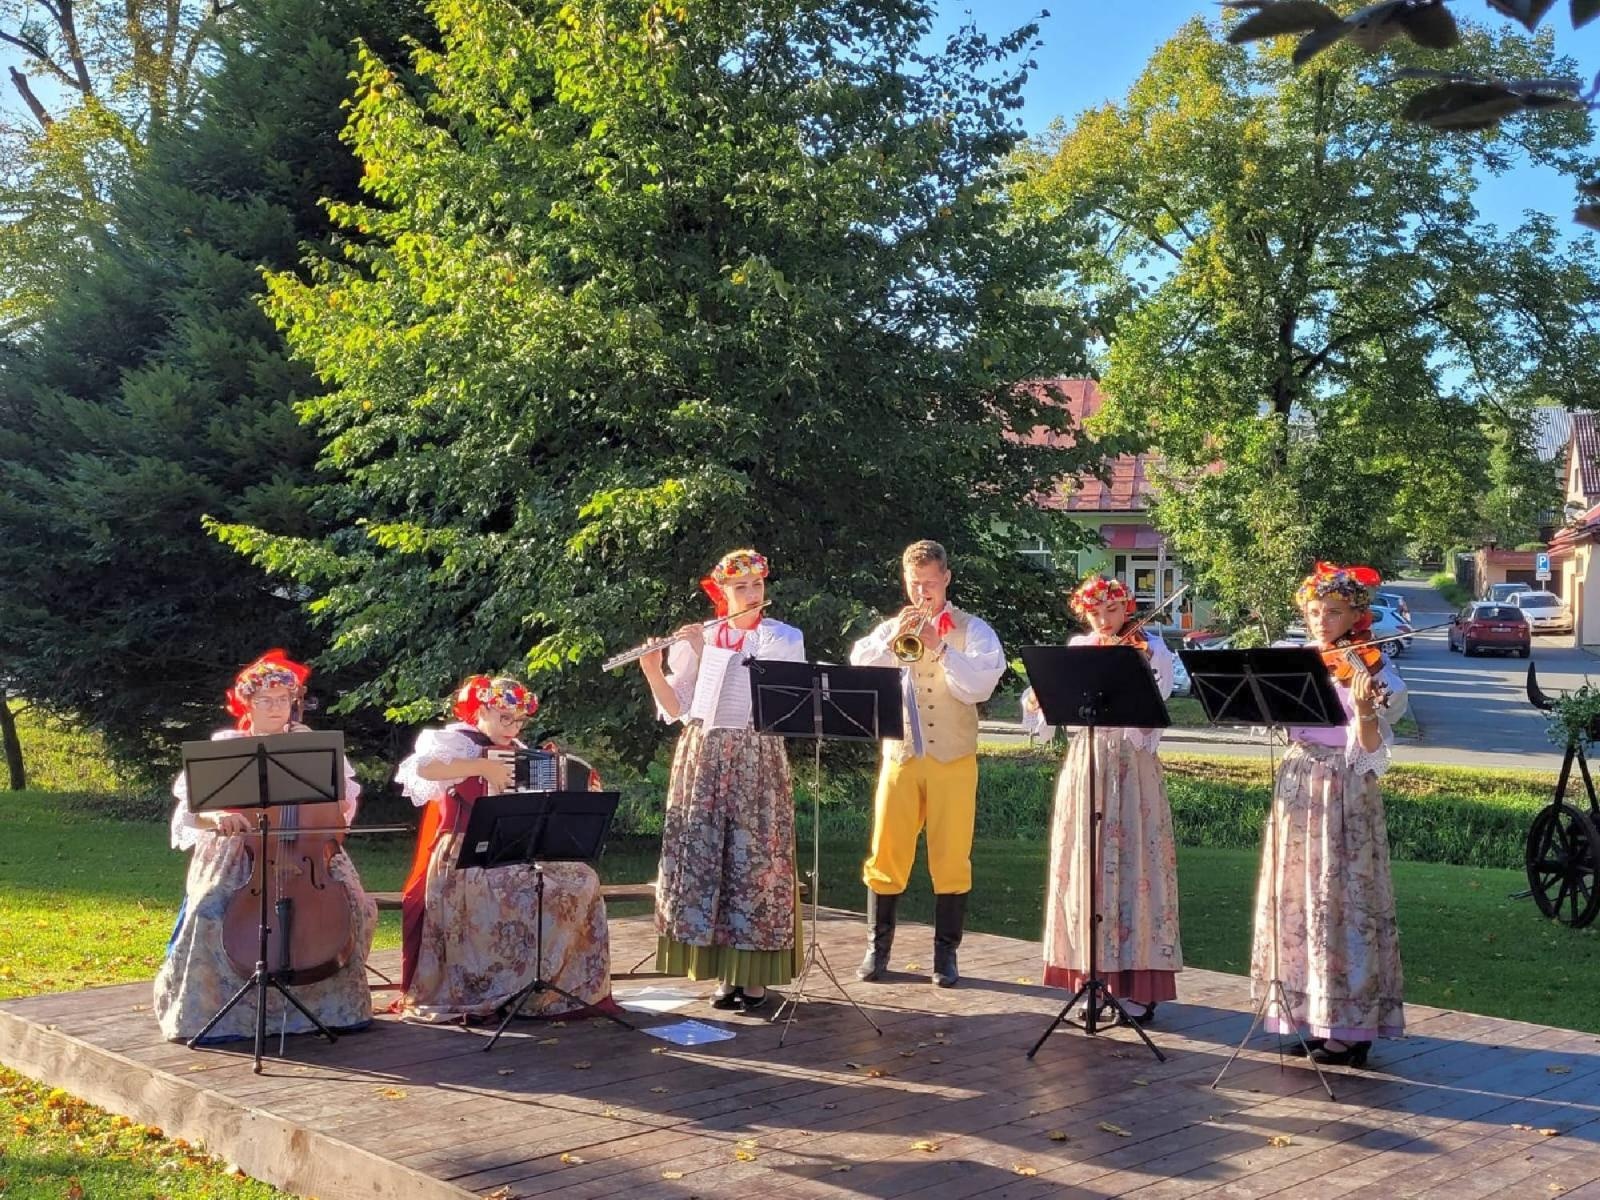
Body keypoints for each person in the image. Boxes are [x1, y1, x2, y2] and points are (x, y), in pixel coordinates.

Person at [153, 650, 377, 1042]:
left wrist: (331, 801)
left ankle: (334, 1010)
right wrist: (218, 816)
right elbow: (194, 811)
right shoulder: (229, 745)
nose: (276, 708)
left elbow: (339, 814)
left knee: (359, 907)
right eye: (265, 701)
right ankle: (215, 1015)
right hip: (243, 853)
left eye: (283, 700)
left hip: (307, 854)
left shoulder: (316, 747)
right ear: (248, 704)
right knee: (209, 910)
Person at [636, 548, 806, 1013]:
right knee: (709, 861)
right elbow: (677, 708)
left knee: (754, 865)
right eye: (741, 587)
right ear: (722, 593)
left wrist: (703, 650)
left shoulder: (781, 637)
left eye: (757, 585)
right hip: (704, 756)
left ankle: (754, 979)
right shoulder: (702, 636)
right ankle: (721, 974)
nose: (752, 594)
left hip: (756, 753)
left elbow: (757, 686)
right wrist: (655, 670)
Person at [1254, 561, 1407, 1068]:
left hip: (1345, 789)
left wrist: (1365, 711)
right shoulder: (1299, 660)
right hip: (1299, 782)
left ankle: (1351, 1025)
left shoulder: (1375, 669)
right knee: (1299, 897)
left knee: (1343, 902)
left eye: (1334, 611)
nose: (1322, 620)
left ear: (1356, 615)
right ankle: (1309, 1015)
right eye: (1315, 611)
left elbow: (1372, 754)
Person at [394, 675, 613, 1022]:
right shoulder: (456, 742)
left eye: (518, 720)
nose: (512, 727)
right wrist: (479, 766)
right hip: (464, 855)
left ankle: (539, 985)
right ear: (480, 711)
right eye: (504, 718)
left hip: (514, 852)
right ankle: (495, 987)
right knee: (521, 895)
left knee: (581, 880)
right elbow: (420, 769)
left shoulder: (523, 755)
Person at [1021, 574, 1182, 1026]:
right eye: (1095, 612)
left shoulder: (1151, 650)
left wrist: (1146, 663)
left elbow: (1158, 704)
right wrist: (1037, 700)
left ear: (1126, 608)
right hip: (1087, 762)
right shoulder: (1078, 649)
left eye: (1112, 610)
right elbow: (1053, 700)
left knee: (1134, 865)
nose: (1105, 620)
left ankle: (1135, 986)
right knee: (1086, 866)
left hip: (1130, 767)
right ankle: (1091, 977)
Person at [849, 539, 1005, 987]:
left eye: (931, 585)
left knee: (952, 856)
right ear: (905, 580)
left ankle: (945, 957)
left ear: (947, 579)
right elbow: (860, 668)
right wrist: (894, 640)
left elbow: (978, 686)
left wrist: (940, 647)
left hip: (952, 758)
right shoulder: (891, 626)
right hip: (900, 755)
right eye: (915, 585)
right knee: (886, 851)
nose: (923, 594)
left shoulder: (974, 630)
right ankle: (877, 952)